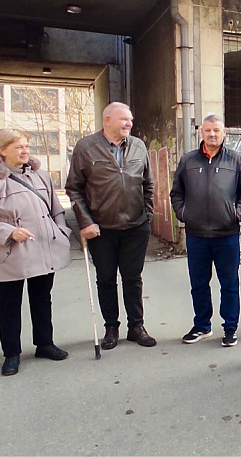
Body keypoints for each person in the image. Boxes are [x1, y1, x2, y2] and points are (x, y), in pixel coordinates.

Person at [0, 130, 72, 376]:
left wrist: (60, 231)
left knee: (41, 298)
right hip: (10, 252)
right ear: (2, 150)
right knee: (9, 304)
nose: (25, 151)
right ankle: (11, 353)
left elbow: (56, 209)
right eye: (19, 147)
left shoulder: (41, 176)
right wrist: (8, 231)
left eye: (27, 146)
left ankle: (45, 343)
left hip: (43, 248)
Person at [66, 102, 156, 350]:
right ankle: (111, 327)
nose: (129, 124)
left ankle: (136, 326)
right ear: (107, 120)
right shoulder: (86, 147)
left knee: (133, 278)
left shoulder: (138, 146)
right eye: (124, 119)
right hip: (101, 228)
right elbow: (73, 188)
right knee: (106, 279)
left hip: (136, 226)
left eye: (130, 120)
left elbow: (148, 183)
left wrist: (147, 214)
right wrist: (85, 221)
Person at [170, 114, 241, 347]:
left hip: (226, 234)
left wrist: (236, 214)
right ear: (201, 132)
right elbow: (176, 193)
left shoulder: (237, 161)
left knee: (229, 284)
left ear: (224, 132)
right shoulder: (188, 161)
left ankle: (230, 328)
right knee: (198, 283)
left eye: (216, 130)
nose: (212, 134)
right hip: (196, 235)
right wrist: (184, 214)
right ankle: (202, 326)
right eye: (208, 130)